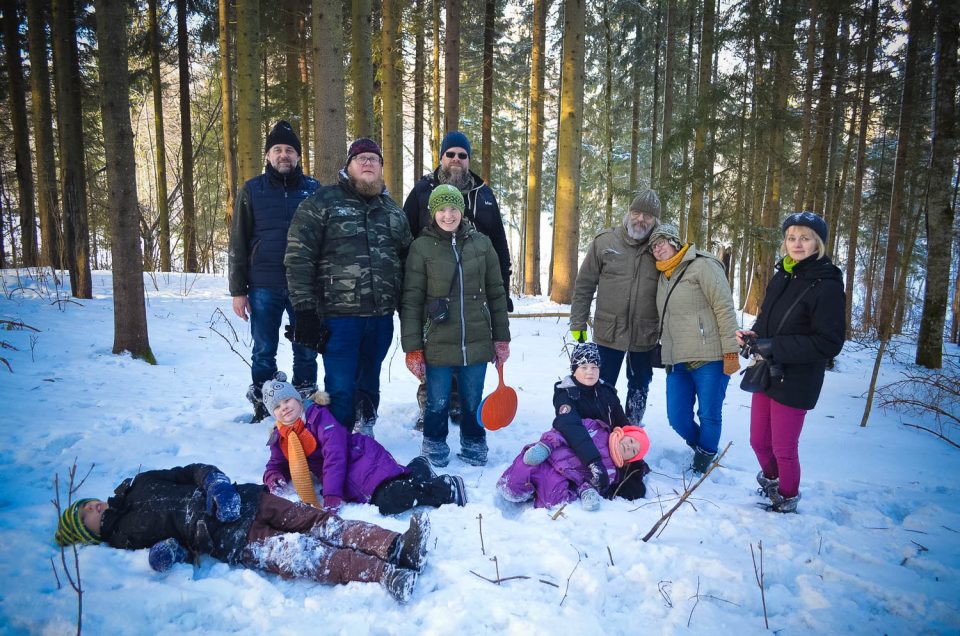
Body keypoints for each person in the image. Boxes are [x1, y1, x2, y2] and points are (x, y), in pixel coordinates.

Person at [53, 463, 430, 603]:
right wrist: (169, 553)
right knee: (310, 556)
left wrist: (218, 484)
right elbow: (182, 549)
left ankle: (397, 546)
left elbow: (194, 471)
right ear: (87, 534)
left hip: (247, 501)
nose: (92, 507)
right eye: (84, 515)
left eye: (87, 503)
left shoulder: (140, 483)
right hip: (234, 541)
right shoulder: (123, 540)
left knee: (321, 523)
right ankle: (386, 575)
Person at [284, 138, 413, 437]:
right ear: (349, 165)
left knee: (369, 381)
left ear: (381, 167)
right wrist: (304, 308)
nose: (367, 163)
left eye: (373, 159)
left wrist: (410, 313)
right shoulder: (322, 203)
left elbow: (408, 264)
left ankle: (365, 436)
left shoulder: (394, 213)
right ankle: (337, 445)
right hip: (338, 317)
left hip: (381, 318)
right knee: (340, 388)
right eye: (361, 158)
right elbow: (298, 255)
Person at [402, 131, 513, 429]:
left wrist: (504, 285)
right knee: (436, 352)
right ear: (441, 158)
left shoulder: (484, 194)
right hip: (433, 286)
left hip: (475, 288)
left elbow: (499, 245)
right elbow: (404, 239)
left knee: (469, 347)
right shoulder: (423, 191)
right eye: (450, 154)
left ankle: (461, 407)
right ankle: (432, 407)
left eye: (462, 155)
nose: (456, 160)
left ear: (468, 160)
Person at [736, 212, 845, 513]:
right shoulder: (782, 274)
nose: (797, 244)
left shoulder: (828, 284)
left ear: (818, 243)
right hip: (767, 371)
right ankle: (771, 483)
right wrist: (754, 334)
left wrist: (775, 346)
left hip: (797, 378)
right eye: (791, 238)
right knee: (759, 442)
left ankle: (786, 497)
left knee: (783, 448)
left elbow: (830, 342)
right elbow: (768, 318)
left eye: (805, 238)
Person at [400, 185, 510, 467]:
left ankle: (474, 441)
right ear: (432, 212)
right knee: (437, 401)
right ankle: (434, 442)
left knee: (472, 398)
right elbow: (411, 300)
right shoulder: (421, 247)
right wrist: (412, 348)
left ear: (462, 211)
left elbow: (497, 293)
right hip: (436, 340)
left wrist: (501, 338)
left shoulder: (482, 244)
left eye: (453, 209)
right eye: (442, 209)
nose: (448, 215)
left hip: (476, 338)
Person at [260, 379, 467, 515]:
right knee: (393, 489)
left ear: (297, 399)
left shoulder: (319, 417)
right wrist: (273, 477)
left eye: (287, 400)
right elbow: (276, 463)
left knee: (390, 499)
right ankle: (419, 467)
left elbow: (335, 455)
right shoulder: (281, 437)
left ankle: (446, 488)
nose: (284, 408)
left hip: (361, 460)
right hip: (347, 476)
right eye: (277, 406)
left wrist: (332, 494)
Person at [229, 120, 321, 422]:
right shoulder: (252, 190)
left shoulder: (313, 190)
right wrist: (237, 291)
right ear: (268, 155)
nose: (284, 155)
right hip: (262, 284)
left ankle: (305, 400)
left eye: (290, 150)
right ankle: (265, 402)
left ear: (298, 156)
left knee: (306, 346)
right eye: (278, 149)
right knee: (264, 349)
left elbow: (325, 239)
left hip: (304, 286)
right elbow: (239, 241)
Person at [649, 223, 740, 473]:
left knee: (709, 414)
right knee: (677, 418)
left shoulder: (704, 265)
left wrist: (731, 352)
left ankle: (703, 463)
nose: (657, 249)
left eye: (661, 243)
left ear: (675, 241)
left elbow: (724, 308)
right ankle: (703, 447)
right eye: (653, 246)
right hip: (676, 359)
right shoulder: (662, 276)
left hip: (710, 356)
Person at [569, 189, 662, 426]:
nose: (640, 219)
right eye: (636, 212)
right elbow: (584, 285)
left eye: (648, 216)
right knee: (601, 384)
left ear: (656, 221)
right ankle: (600, 428)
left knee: (640, 386)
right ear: (628, 212)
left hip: (645, 334)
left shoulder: (661, 249)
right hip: (608, 332)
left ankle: (631, 431)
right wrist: (578, 324)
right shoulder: (605, 242)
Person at [542, 342, 648, 500]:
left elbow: (622, 422)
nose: (589, 372)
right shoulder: (565, 393)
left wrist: (634, 454)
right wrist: (594, 461)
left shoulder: (606, 391)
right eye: (584, 367)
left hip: (609, 448)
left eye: (594, 367)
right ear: (574, 369)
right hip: (577, 448)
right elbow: (571, 427)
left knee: (635, 487)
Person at [497, 421, 649, 511]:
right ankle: (518, 486)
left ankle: (536, 494)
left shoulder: (611, 472)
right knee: (512, 487)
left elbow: (595, 484)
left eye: (634, 450)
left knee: (554, 502)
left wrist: (587, 490)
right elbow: (565, 430)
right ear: (622, 434)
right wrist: (546, 445)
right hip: (546, 457)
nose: (629, 447)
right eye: (630, 441)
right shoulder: (596, 428)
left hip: (562, 478)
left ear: (631, 459)